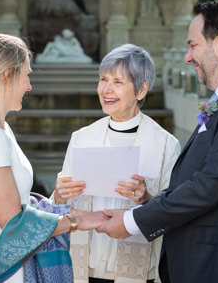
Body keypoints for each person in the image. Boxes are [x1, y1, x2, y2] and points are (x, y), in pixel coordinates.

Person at [97, 0, 218, 283]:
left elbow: (209, 186)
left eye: (193, 45)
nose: (188, 56)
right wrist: (149, 201)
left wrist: (132, 221)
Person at [0, 34, 105, 282]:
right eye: (27, 75)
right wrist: (78, 221)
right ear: (8, 75)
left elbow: (18, 203)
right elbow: (14, 223)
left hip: (10, 259)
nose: (29, 86)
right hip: (7, 269)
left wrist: (58, 201)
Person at [52, 44, 181, 283]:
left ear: (141, 90)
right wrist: (59, 196)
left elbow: (175, 214)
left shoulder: (165, 145)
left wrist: (146, 199)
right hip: (82, 270)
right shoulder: (82, 138)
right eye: (103, 79)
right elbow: (56, 207)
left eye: (118, 82)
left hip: (138, 273)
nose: (106, 90)